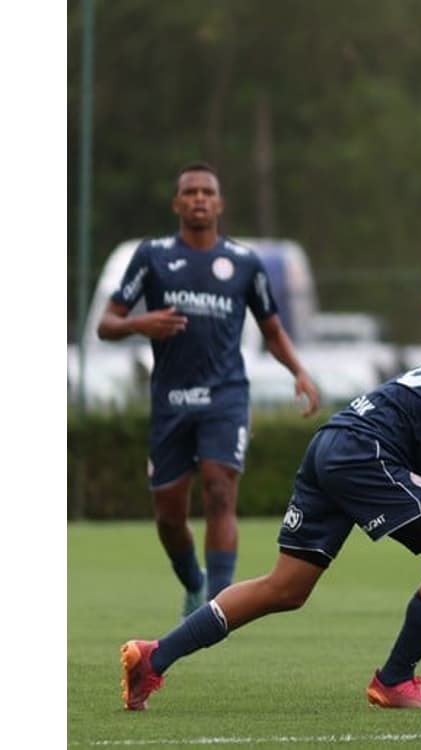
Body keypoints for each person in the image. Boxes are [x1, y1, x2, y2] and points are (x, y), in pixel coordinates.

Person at [120, 338, 421, 712]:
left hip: (334, 443)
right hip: (366, 452)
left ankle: (154, 656)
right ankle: (394, 680)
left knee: (287, 588)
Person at [96, 162, 320, 618]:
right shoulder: (152, 256)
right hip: (170, 402)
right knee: (169, 514)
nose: (199, 198)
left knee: (220, 491)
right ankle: (194, 582)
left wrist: (299, 370)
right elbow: (106, 324)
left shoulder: (243, 263)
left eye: (207, 192)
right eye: (190, 191)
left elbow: (272, 329)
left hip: (226, 396)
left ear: (219, 204)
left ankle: (218, 607)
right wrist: (142, 323)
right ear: (177, 203)